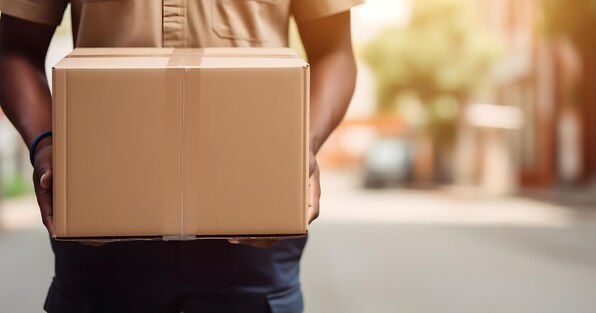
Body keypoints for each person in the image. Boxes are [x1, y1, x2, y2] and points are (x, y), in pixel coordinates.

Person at [0, 0, 361, 312]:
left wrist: (300, 147)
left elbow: (335, 51)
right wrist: (46, 146)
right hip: (103, 223)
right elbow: (15, 49)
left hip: (253, 229)